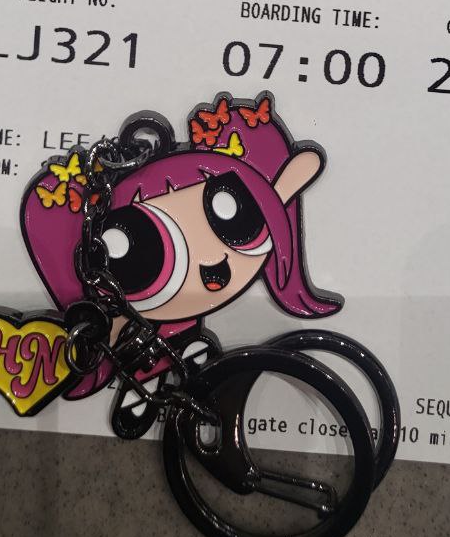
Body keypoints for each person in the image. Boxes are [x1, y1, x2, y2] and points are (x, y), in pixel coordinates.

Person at [21, 93, 341, 436]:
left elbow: (288, 182)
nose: (210, 261)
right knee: (157, 348)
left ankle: (166, 366)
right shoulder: (109, 289)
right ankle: (149, 380)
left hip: (173, 339)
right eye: (145, 252)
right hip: (148, 343)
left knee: (178, 340)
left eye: (235, 220)